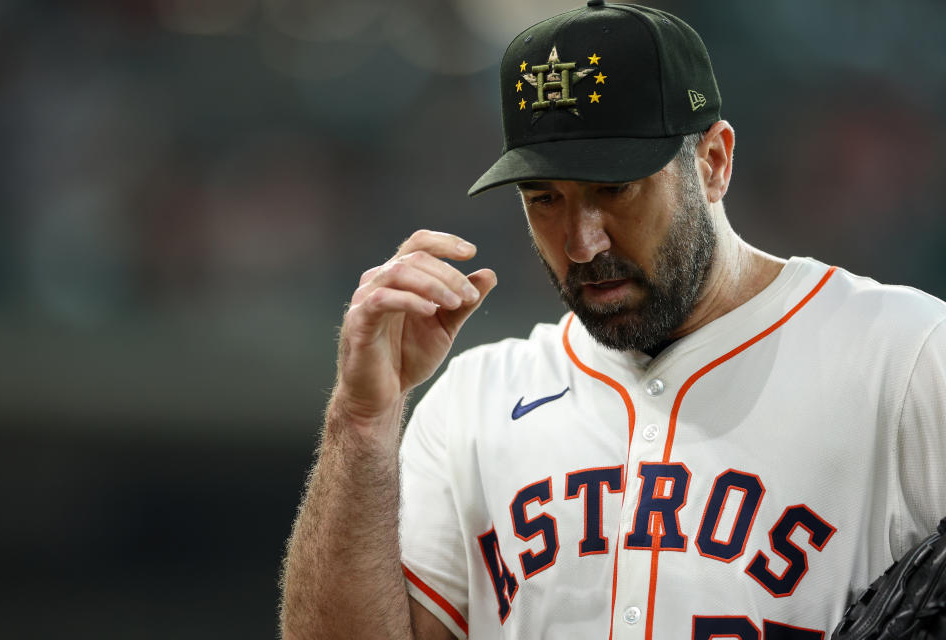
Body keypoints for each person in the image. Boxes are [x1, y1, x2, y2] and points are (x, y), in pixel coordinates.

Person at [279, 2, 946, 638]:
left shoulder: (906, 358)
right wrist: (362, 423)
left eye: (614, 189)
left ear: (713, 163)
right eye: (545, 199)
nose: (581, 242)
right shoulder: (472, 406)